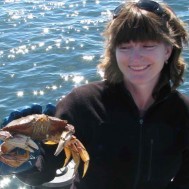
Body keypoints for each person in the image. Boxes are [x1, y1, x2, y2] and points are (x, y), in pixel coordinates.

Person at [1, 0, 189, 188]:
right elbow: (45, 167)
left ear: (167, 51)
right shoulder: (82, 103)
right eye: (124, 47)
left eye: (147, 46)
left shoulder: (183, 112)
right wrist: (21, 162)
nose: (135, 58)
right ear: (113, 52)